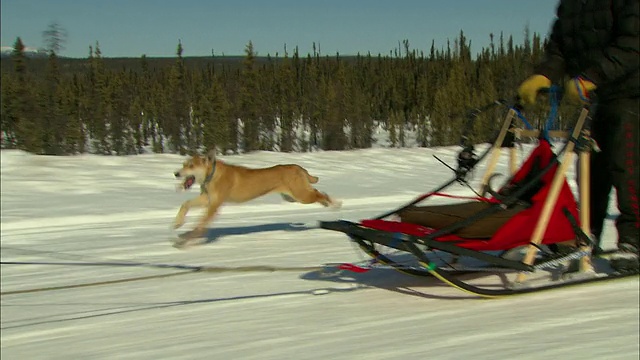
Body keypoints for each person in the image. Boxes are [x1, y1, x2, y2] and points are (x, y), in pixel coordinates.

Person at [517, 0, 639, 271]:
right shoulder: (571, 5)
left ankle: (633, 241)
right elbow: (559, 47)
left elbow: (633, 45)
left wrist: (592, 76)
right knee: (591, 170)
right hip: (595, 96)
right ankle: (588, 233)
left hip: (630, 92)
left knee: (627, 167)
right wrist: (543, 74)